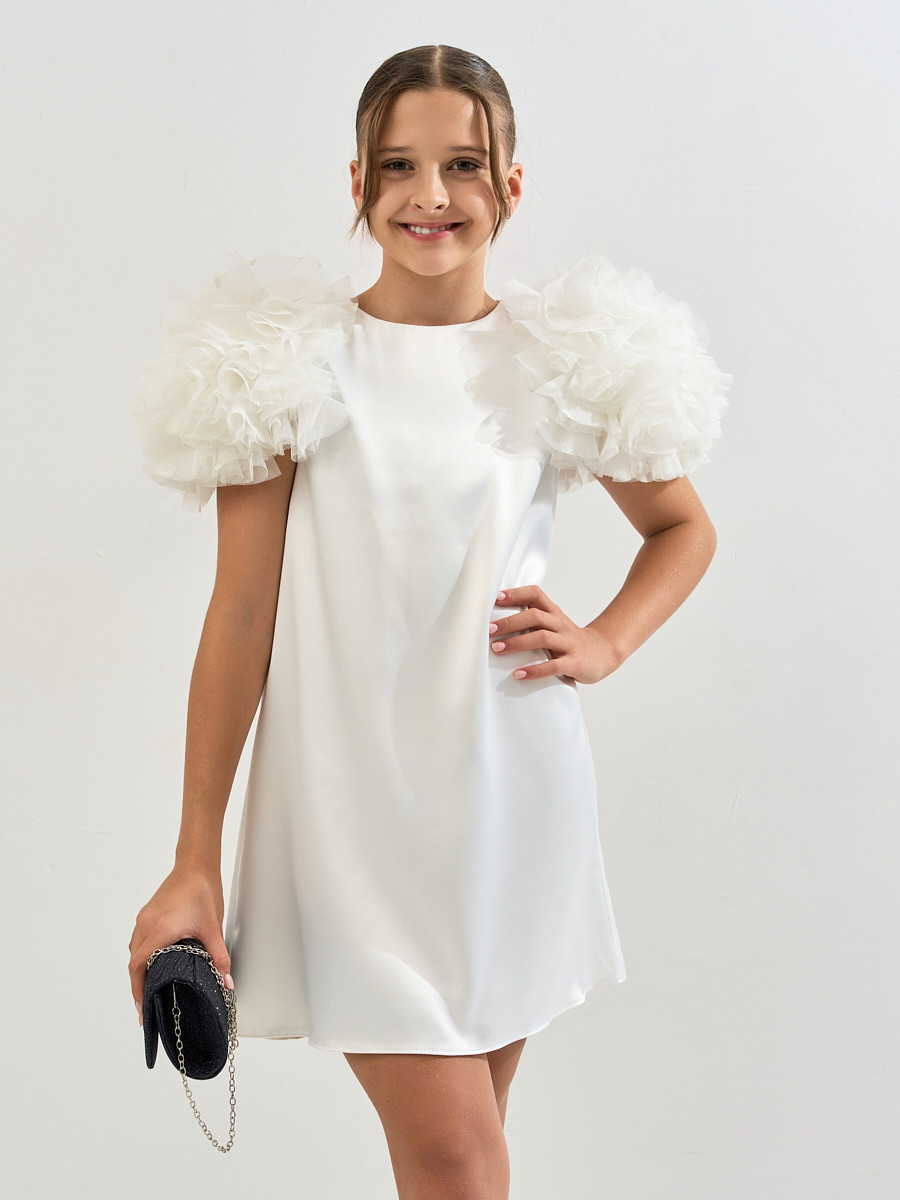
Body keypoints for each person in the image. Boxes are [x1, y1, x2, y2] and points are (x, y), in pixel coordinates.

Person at [128, 44, 729, 1200]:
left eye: (464, 163)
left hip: (512, 807)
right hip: (349, 822)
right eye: (399, 164)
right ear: (357, 180)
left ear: (513, 184)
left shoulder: (562, 358)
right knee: (459, 1158)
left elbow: (683, 528)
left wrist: (605, 640)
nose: (431, 194)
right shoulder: (284, 364)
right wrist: (195, 853)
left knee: (465, 1161)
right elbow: (241, 616)